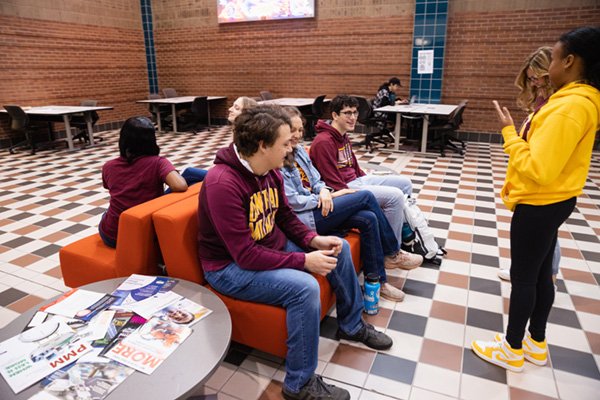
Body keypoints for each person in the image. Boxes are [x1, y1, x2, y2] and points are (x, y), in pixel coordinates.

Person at [197, 105, 393, 400]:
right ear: (263, 146)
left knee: (334, 249)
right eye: (285, 143)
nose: (292, 148)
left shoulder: (270, 170)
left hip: (266, 245)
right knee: (304, 289)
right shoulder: (222, 183)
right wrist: (303, 260)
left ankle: (352, 326)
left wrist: (313, 240)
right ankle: (298, 384)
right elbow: (245, 255)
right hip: (227, 268)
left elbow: (286, 218)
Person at [472, 26, 600, 373]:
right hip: (554, 199)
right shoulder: (574, 102)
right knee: (542, 276)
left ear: (570, 62)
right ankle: (536, 343)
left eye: (555, 60)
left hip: (541, 201)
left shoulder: (568, 107)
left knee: (525, 277)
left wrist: (510, 135)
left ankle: (512, 349)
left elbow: (538, 168)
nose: (541, 79)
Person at [280, 107, 419, 302]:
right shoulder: (277, 158)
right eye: (292, 130)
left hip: (321, 205)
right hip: (306, 217)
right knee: (365, 197)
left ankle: (378, 281)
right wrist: (326, 197)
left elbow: (317, 179)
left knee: (368, 218)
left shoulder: (299, 151)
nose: (297, 135)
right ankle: (392, 253)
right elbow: (292, 202)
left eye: (300, 130)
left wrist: (323, 191)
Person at [310, 95, 419, 252]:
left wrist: (367, 177)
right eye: (347, 113)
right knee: (395, 196)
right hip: (346, 187)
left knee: (405, 183)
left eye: (355, 112)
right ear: (335, 115)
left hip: (357, 179)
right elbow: (331, 180)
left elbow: (352, 164)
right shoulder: (324, 141)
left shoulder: (343, 135)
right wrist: (355, 195)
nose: (353, 117)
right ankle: (393, 251)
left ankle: (403, 230)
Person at [497, 47, 561, 284]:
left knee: (544, 228)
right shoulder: (545, 99)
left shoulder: (560, 104)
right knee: (546, 231)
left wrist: (511, 134)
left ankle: (543, 273)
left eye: (537, 78)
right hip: (534, 172)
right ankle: (544, 272)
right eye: (531, 79)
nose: (534, 84)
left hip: (543, 177)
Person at [99, 116, 188, 247]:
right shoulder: (158, 163)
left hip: (111, 235)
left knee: (106, 213)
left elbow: (110, 187)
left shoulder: (108, 166)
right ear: (152, 141)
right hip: (145, 235)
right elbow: (180, 185)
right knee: (190, 174)